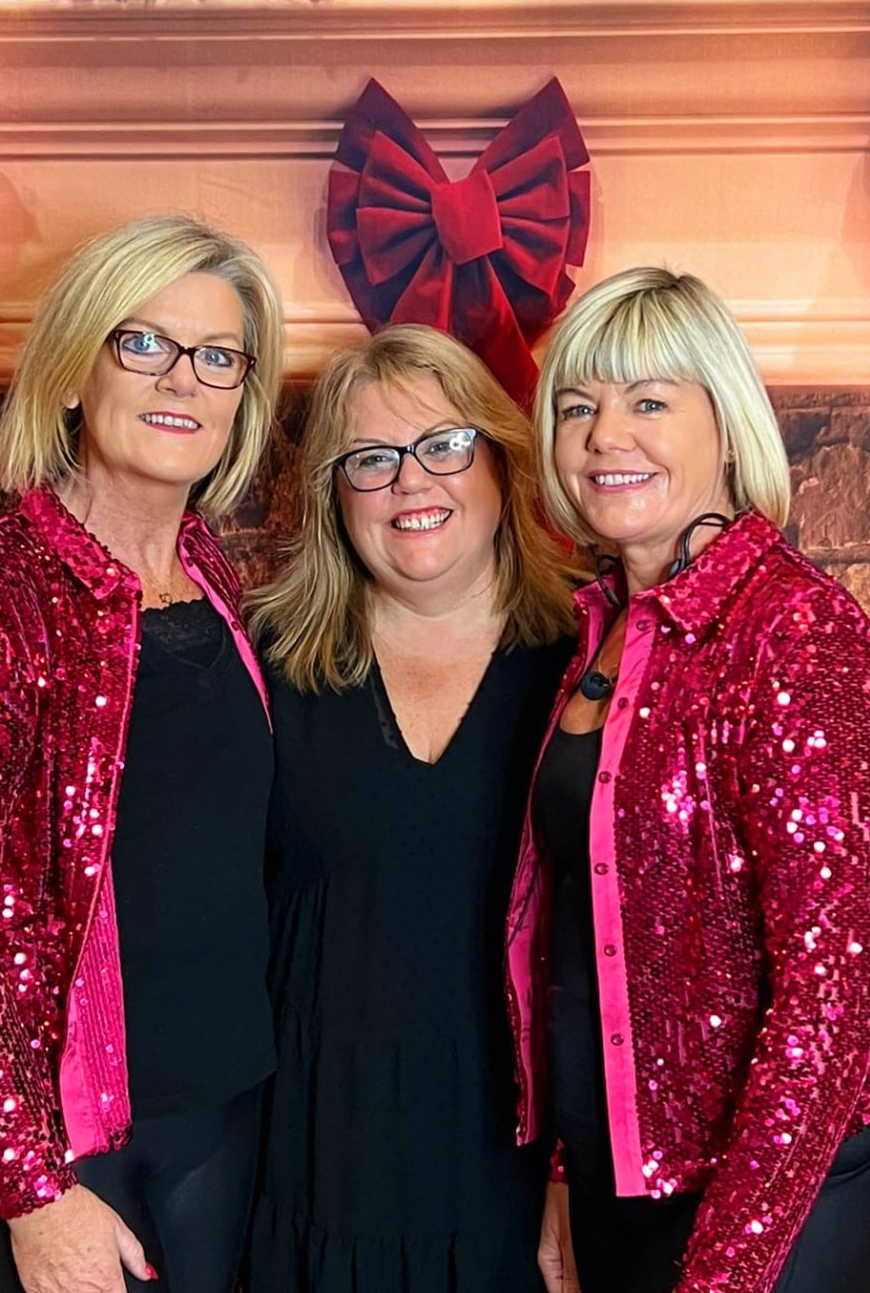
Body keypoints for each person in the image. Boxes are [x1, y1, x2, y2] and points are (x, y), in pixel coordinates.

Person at [0, 214, 284, 1293]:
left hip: (229, 1104)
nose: (182, 378)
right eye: (142, 342)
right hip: (74, 1141)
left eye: (217, 356)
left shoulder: (211, 573)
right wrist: (33, 1192)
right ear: (74, 370)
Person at [507, 267, 870, 1293]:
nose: (605, 435)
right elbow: (582, 940)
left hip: (779, 1193)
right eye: (577, 407)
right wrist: (566, 1172)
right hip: (618, 1178)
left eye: (648, 402)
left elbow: (831, 997)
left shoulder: (801, 639)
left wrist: (728, 1268)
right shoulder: (604, 628)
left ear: (726, 426)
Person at [245, 323, 577, 1293]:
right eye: (371, 459)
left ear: (500, 460)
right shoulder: (262, 665)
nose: (410, 481)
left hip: (516, 1171)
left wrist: (576, 1172)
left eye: (444, 444)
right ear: (332, 494)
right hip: (317, 1159)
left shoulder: (587, 663)